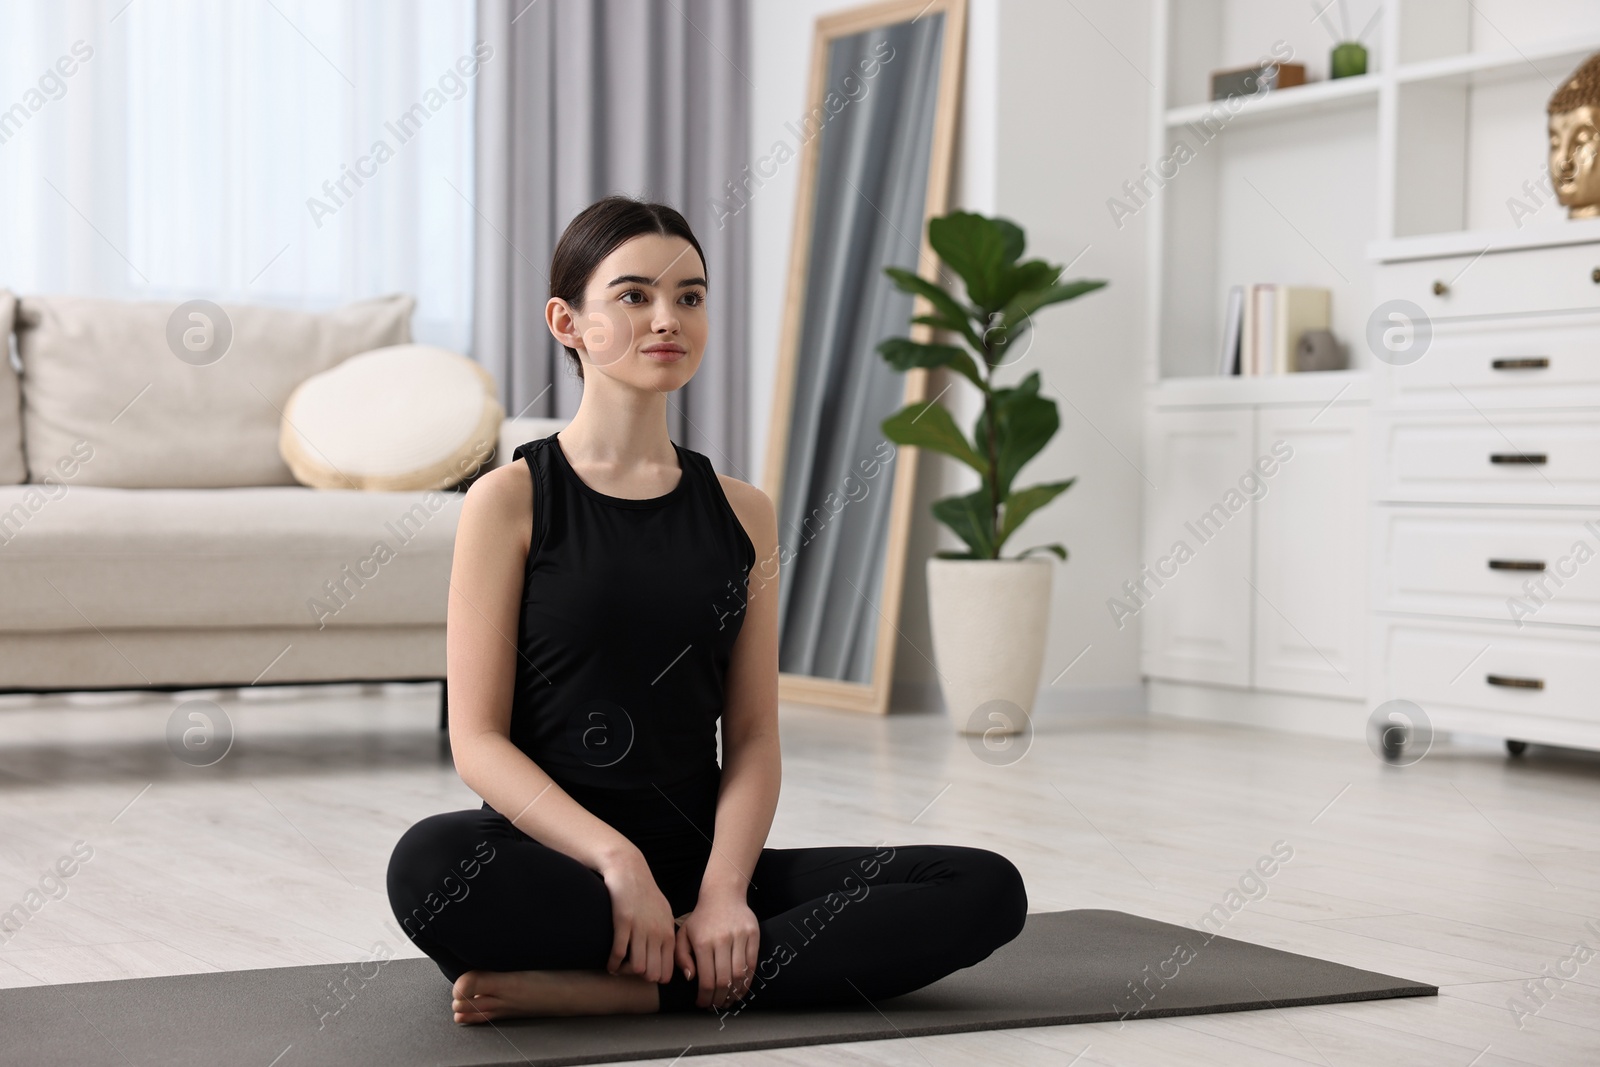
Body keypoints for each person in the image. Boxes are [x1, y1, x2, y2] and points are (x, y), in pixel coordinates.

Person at [385, 194, 1027, 1023]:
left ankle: (635, 989)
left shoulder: (743, 511)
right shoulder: (509, 500)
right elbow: (477, 740)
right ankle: (683, 970)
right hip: (557, 862)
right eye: (634, 295)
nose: (668, 318)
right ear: (566, 321)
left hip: (704, 863)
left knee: (984, 886)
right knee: (429, 865)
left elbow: (754, 734)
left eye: (690, 296)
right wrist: (619, 864)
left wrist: (724, 891)